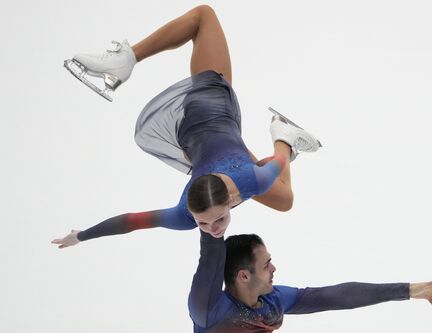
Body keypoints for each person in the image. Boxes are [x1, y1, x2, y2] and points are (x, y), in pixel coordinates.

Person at [53, 5, 321, 248]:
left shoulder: (244, 185)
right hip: (214, 143)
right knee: (285, 201)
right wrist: (81, 235)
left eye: (212, 221)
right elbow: (130, 222)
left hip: (210, 106)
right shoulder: (196, 212)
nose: (212, 229)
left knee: (204, 16)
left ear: (230, 199)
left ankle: (125, 59)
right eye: (204, 223)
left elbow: (278, 161)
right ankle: (284, 133)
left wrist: (83, 235)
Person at [188, 231, 432, 332]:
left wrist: (407, 290)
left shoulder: (274, 300)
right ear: (243, 275)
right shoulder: (209, 310)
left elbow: (335, 296)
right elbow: (210, 252)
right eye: (266, 264)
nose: (274, 268)